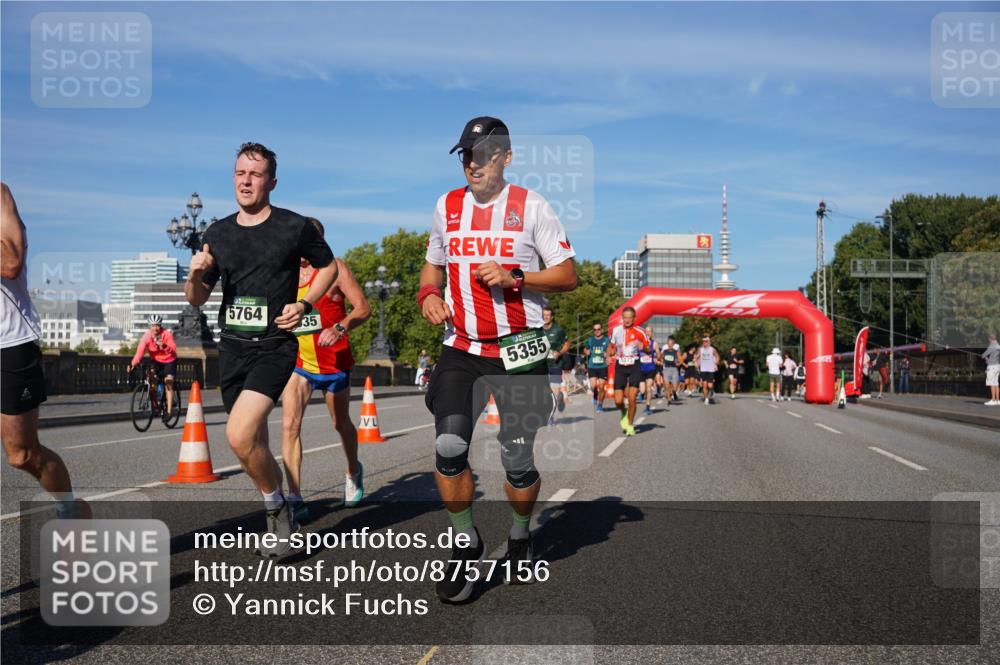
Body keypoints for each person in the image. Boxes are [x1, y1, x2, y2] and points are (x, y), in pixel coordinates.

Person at [419, 116, 577, 602]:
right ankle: (465, 545)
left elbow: (568, 276)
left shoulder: (532, 206)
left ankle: (521, 535)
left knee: (516, 458)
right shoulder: (447, 206)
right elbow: (434, 264)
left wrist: (515, 277)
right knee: (449, 447)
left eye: (484, 155)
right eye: (466, 155)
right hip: (461, 348)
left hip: (518, 349)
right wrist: (428, 294)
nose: (473, 164)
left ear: (505, 157)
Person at [185, 142, 337, 558]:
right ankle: (280, 506)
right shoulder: (217, 232)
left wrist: (306, 304)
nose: (245, 181)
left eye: (254, 174)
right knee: (253, 441)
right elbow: (197, 299)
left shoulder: (294, 227)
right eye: (239, 173)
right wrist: (195, 275)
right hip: (231, 349)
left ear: (271, 181)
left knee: (237, 436)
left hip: (273, 347)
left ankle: (276, 510)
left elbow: (330, 267)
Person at [1, 183, 89, 519]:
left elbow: (10, 263)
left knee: (22, 455)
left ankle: (70, 510)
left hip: (9, 344)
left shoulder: (0, 196)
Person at [280, 218, 371, 524]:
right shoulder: (287, 273)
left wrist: (341, 327)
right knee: (290, 425)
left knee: (341, 423)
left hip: (335, 362)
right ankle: (294, 497)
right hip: (301, 363)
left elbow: (363, 308)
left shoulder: (336, 269)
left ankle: (352, 470)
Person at [128, 314, 178, 421]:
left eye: (157, 325)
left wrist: (164, 346)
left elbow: (173, 349)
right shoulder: (146, 337)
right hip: (156, 361)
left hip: (169, 360)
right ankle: (155, 405)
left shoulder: (167, 334)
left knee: (168, 382)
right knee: (152, 380)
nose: (155, 328)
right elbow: (139, 353)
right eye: (153, 325)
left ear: (160, 326)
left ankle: (169, 412)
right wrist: (133, 364)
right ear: (149, 326)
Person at [610, 306, 650, 435]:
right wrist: (608, 355)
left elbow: (649, 350)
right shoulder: (616, 330)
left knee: (632, 398)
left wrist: (643, 347)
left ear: (634, 318)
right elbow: (611, 346)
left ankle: (630, 425)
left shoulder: (640, 331)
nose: (627, 320)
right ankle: (623, 412)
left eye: (629, 317)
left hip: (634, 365)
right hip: (620, 366)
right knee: (618, 401)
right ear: (622, 318)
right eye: (625, 317)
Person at [542, 306, 570, 421]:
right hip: (542, 365)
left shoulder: (558, 330)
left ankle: (558, 400)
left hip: (555, 364)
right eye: (544, 315)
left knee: (554, 391)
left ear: (552, 317)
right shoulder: (537, 330)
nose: (545, 317)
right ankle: (549, 413)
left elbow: (567, 343)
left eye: (548, 315)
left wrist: (560, 352)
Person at [584, 323, 610, 412]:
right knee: (593, 385)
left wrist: (608, 354)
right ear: (593, 331)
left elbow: (612, 350)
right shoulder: (590, 340)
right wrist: (586, 351)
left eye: (598, 329)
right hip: (592, 366)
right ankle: (595, 394)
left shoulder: (606, 340)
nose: (597, 331)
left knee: (602, 386)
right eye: (595, 330)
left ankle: (600, 405)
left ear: (601, 330)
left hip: (603, 366)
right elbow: (585, 349)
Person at [693, 336, 720, 405]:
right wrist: (695, 361)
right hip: (703, 369)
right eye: (703, 342)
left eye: (706, 341)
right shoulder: (701, 349)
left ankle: (712, 391)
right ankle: (706, 398)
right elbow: (697, 356)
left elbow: (717, 356)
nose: (704, 343)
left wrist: (716, 363)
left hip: (710, 369)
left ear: (709, 342)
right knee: (704, 385)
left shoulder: (712, 349)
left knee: (710, 385)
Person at [638, 337, 657, 415]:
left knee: (649, 388)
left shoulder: (654, 343)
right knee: (643, 390)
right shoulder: (639, 344)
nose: (648, 333)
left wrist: (658, 356)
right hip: (641, 369)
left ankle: (648, 407)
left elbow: (658, 353)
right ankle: (642, 393)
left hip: (651, 369)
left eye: (649, 332)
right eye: (646, 332)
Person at [660, 336, 680, 402]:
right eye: (669, 344)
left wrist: (678, 363)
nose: (670, 346)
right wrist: (660, 361)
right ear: (667, 344)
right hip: (666, 369)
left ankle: (674, 392)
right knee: (667, 385)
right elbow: (660, 357)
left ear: (673, 344)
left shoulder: (676, 351)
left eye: (671, 344)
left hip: (674, 369)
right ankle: (668, 399)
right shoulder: (664, 351)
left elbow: (680, 359)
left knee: (674, 387)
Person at [983, 334, 1000, 406]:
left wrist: (985, 358)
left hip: (992, 367)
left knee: (992, 383)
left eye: (988, 340)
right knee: (996, 383)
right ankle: (997, 400)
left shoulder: (992, 346)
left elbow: (984, 355)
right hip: (998, 366)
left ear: (990, 339)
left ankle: (993, 399)